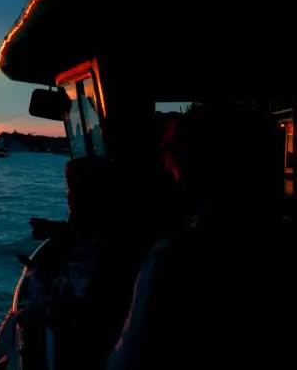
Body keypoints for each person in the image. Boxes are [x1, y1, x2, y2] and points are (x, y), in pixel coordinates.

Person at [106, 104, 294, 370]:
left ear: (193, 172)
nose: (169, 178)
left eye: (173, 172)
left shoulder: (175, 258)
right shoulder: (281, 238)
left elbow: (130, 358)